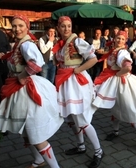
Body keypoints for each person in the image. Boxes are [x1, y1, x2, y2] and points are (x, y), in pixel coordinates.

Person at [0, 15, 63, 168]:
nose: (17, 29)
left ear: (27, 27)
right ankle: (39, 160)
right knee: (28, 130)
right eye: (14, 26)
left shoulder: (26, 45)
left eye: (20, 25)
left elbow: (36, 64)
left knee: (36, 133)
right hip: (21, 90)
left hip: (26, 90)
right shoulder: (20, 43)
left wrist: (21, 76)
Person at [53, 16, 104, 168]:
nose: (66, 29)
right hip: (64, 82)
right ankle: (81, 145)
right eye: (63, 26)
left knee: (81, 118)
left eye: (69, 26)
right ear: (58, 28)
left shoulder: (77, 41)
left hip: (75, 82)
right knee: (73, 117)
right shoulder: (60, 44)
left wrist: (77, 70)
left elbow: (93, 59)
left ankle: (98, 151)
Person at [92, 30, 136, 154]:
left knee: (130, 109)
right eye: (118, 38)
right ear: (114, 39)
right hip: (115, 82)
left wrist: (118, 73)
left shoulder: (122, 52)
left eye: (123, 39)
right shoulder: (115, 50)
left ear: (125, 41)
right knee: (116, 107)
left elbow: (128, 67)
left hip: (123, 82)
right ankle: (116, 131)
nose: (120, 41)